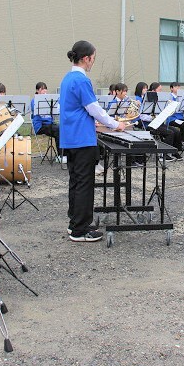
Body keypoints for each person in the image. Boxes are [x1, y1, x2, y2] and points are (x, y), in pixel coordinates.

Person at [59, 41, 126, 242]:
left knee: (76, 182)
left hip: (70, 138)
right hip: (82, 139)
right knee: (84, 184)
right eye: (93, 59)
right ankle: (81, 229)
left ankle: (75, 223)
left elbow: (80, 109)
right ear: (86, 58)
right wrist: (116, 124)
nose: (93, 63)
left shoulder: (67, 78)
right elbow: (94, 109)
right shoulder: (81, 80)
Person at [31, 81, 62, 161]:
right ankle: (61, 155)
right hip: (40, 125)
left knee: (62, 128)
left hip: (50, 124)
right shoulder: (34, 101)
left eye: (45, 89)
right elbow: (36, 112)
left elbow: (58, 110)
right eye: (42, 89)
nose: (44, 91)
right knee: (58, 130)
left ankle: (65, 154)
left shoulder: (50, 100)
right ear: (37, 90)